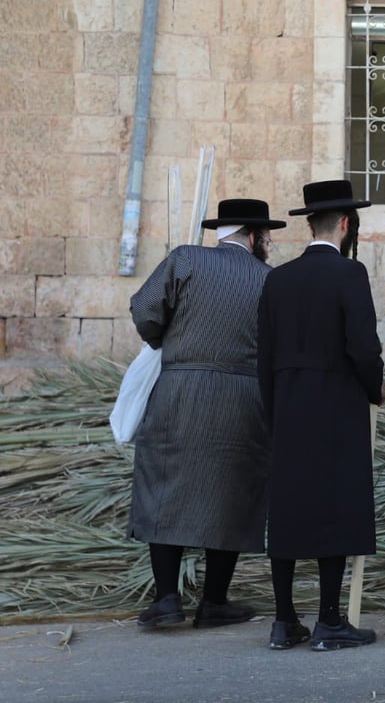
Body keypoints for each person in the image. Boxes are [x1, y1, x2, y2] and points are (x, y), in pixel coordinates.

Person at [127, 198, 285, 629]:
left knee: (165, 484)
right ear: (253, 237)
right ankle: (214, 600)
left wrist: (163, 340)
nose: (267, 244)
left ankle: (166, 599)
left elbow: (144, 309)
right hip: (243, 396)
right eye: (266, 237)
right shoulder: (270, 279)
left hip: (180, 388)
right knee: (231, 491)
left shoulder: (184, 259)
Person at [256, 180, 383, 652]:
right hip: (337, 405)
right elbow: (364, 349)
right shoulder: (351, 275)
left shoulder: (277, 279)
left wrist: (274, 410)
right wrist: (375, 389)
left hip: (288, 405)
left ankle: (284, 621)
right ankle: (329, 620)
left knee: (287, 509)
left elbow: (263, 354)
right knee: (335, 507)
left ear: (310, 223)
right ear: (346, 224)